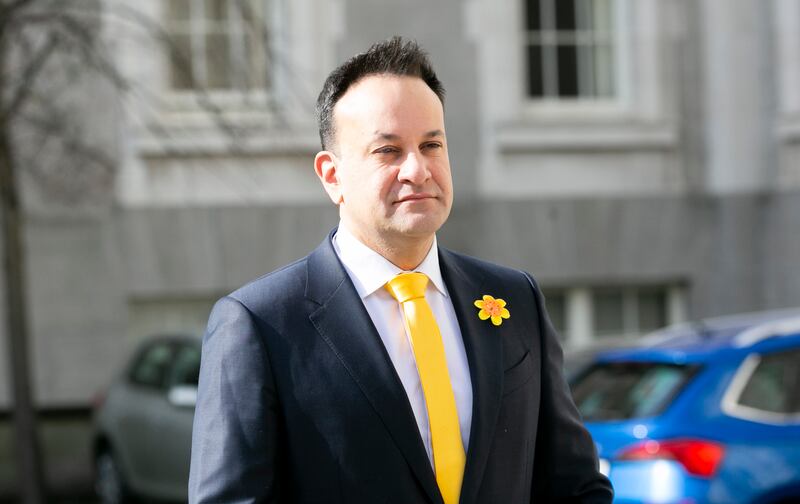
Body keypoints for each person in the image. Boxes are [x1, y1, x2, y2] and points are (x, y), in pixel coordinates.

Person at [188, 37, 613, 504]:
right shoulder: (261, 324)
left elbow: (574, 486)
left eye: (432, 144)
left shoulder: (515, 299)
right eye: (388, 151)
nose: (418, 169)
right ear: (332, 175)